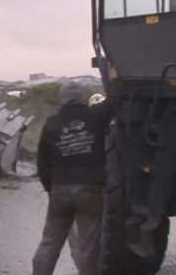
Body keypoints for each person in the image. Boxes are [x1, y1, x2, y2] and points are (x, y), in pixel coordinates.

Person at [32, 71, 122, 275]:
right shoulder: (96, 116)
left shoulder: (52, 123)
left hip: (60, 190)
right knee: (89, 246)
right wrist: (114, 75)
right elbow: (116, 99)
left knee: (50, 242)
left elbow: (42, 162)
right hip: (90, 190)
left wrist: (51, 187)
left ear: (62, 98)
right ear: (82, 97)